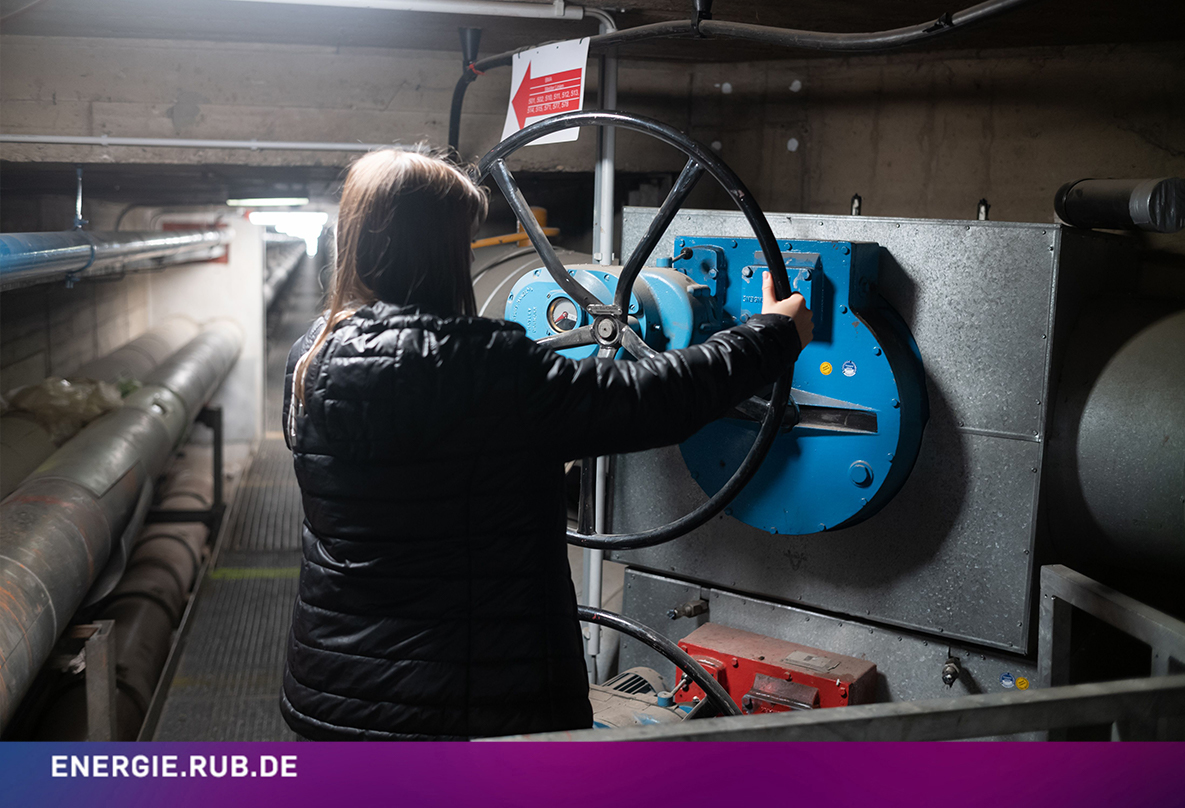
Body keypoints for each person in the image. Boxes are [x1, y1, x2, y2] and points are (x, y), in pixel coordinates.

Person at [280, 147, 813, 741]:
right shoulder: (488, 366)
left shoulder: (312, 357)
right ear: (444, 250)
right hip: (477, 709)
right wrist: (773, 335)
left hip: (336, 695)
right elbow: (651, 398)